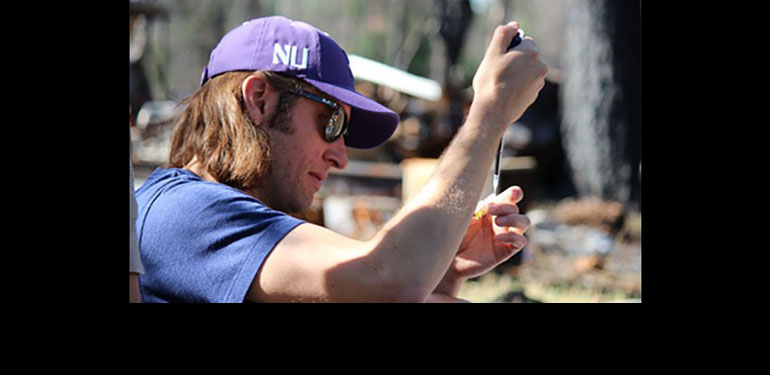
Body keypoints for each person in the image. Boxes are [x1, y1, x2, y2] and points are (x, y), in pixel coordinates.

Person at [134, 16, 547, 303]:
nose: (339, 157)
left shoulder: (211, 223)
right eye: (330, 122)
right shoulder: (186, 214)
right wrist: (489, 113)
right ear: (259, 99)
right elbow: (385, 280)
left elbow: (383, 291)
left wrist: (443, 266)